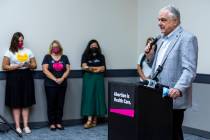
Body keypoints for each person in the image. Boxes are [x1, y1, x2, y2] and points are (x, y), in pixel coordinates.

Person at [148, 5, 198, 140]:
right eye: (158, 20)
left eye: (163, 20)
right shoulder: (160, 39)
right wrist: (149, 55)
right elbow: (155, 67)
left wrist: (178, 88)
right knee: (160, 131)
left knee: (173, 132)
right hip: (157, 94)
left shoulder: (187, 38)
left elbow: (189, 69)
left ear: (175, 21)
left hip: (173, 96)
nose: (159, 23)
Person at [2, 32, 37, 134]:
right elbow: (4, 66)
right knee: (16, 102)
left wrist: (28, 64)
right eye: (19, 41)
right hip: (14, 77)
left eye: (22, 40)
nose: (21, 42)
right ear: (14, 41)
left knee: (26, 102)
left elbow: (35, 65)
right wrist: (16, 66)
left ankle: (26, 126)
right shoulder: (9, 52)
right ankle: (17, 126)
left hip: (26, 76)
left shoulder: (28, 51)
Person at [42, 40, 70, 131]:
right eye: (54, 47)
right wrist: (55, 79)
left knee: (60, 104)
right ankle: (52, 123)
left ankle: (59, 122)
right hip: (50, 85)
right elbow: (45, 70)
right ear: (51, 48)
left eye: (57, 46)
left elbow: (68, 70)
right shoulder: (47, 57)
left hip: (62, 84)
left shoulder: (64, 57)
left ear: (60, 47)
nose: (55, 48)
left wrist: (62, 79)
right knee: (51, 104)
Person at [81, 39, 107, 129]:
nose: (93, 47)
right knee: (89, 98)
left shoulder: (101, 56)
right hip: (88, 79)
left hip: (99, 79)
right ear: (89, 47)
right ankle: (89, 120)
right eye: (92, 46)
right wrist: (96, 69)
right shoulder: (85, 55)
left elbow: (103, 68)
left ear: (98, 47)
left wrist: (91, 68)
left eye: (95, 46)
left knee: (97, 97)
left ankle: (95, 120)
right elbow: (84, 67)